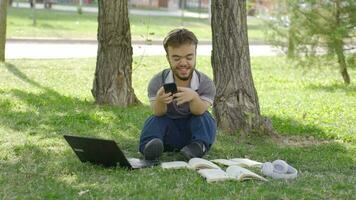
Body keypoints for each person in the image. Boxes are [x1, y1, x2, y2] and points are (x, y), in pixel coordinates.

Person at [138, 28, 217, 161]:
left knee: (205, 119)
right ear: (168, 57)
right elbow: (158, 112)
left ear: (195, 55)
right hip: (167, 134)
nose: (183, 63)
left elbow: (199, 111)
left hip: (192, 134)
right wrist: (160, 100)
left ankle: (198, 147)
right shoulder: (158, 82)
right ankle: (150, 146)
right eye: (176, 58)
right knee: (155, 120)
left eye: (189, 57)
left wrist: (194, 97)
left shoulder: (205, 83)